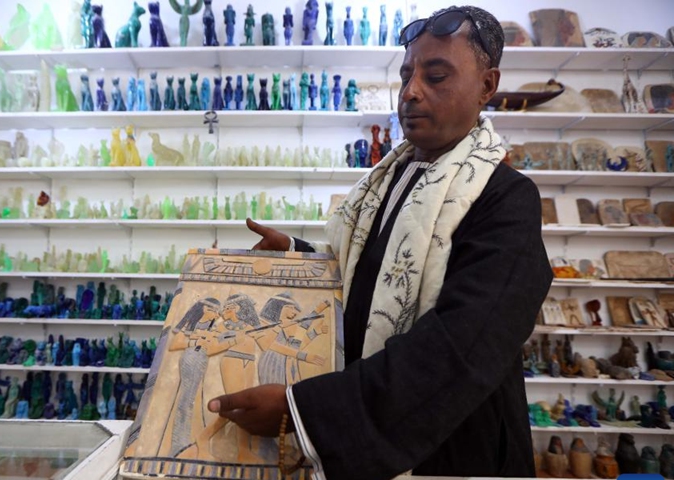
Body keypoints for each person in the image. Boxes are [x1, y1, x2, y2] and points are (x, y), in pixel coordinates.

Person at [207, 5, 553, 480]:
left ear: (487, 87)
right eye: (407, 74)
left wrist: (304, 412)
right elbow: (370, 274)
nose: (411, 92)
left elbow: (462, 347)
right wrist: (299, 256)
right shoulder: (391, 180)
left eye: (436, 76)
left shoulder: (506, 199)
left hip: (452, 451)